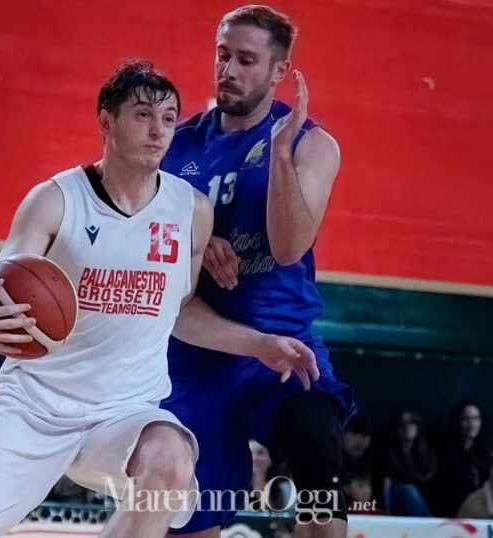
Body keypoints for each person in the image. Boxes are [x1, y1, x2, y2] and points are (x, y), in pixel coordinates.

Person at [0, 60, 316, 538]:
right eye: (143, 114)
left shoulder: (191, 211)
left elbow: (180, 311)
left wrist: (258, 344)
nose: (159, 130)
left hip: (124, 411)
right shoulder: (55, 199)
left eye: (168, 119)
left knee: (172, 459)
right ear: (106, 121)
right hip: (35, 404)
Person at [160, 5, 353, 536]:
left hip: (281, 346)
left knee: (316, 448)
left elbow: (289, 247)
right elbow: (141, 253)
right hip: (193, 351)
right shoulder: (175, 145)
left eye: (246, 59)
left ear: (278, 72)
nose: (228, 70)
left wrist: (281, 154)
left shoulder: (312, 143)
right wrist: (198, 242)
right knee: (191, 517)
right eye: (222, 55)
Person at [434, 400, 493, 516]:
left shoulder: (485, 453)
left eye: (476, 419)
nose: (472, 424)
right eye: (466, 419)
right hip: (452, 512)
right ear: (457, 421)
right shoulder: (445, 452)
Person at [378, 411, 436, 517]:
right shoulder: (386, 456)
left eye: (411, 423)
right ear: (395, 429)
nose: (407, 427)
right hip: (398, 506)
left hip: (424, 506)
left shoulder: (428, 456)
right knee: (408, 491)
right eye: (402, 423)